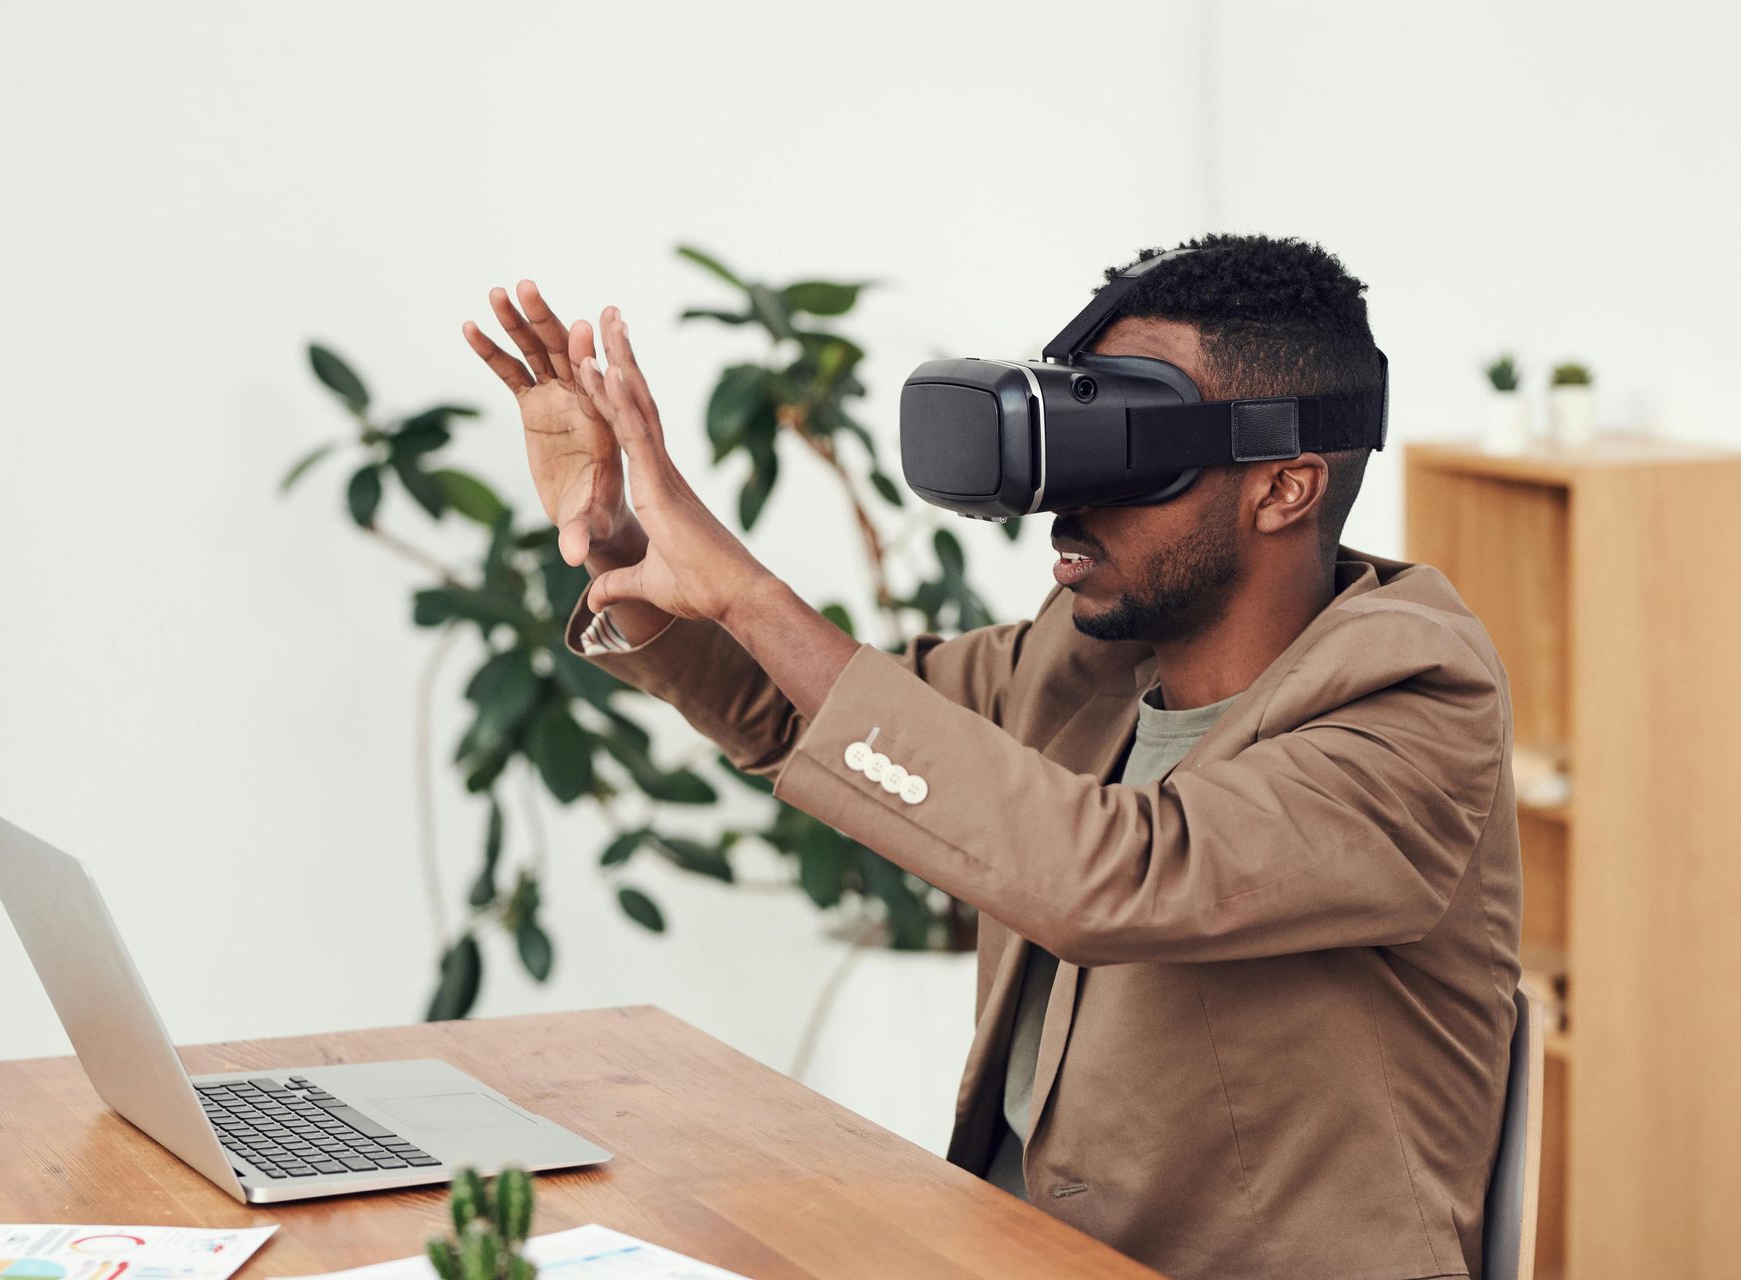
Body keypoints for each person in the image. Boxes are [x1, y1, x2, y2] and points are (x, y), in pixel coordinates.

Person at [463, 234, 1523, 1280]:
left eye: (1133, 448)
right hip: (1006, 1248)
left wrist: (747, 585)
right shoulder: (1087, 660)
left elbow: (1118, 876)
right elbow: (816, 722)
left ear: (1284, 487)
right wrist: (624, 546)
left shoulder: (1414, 700)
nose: (1071, 499)